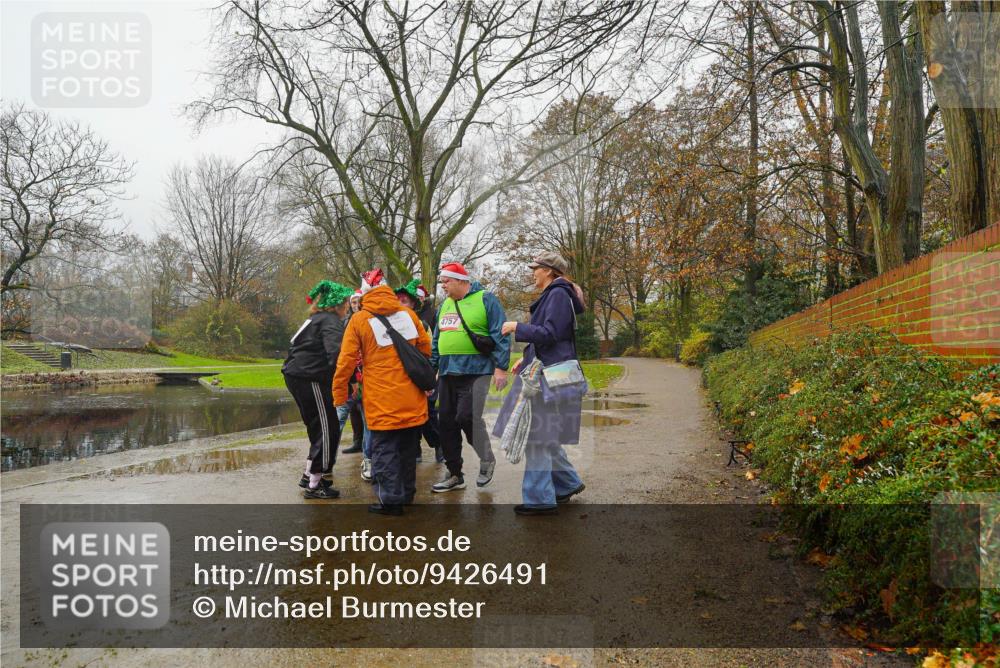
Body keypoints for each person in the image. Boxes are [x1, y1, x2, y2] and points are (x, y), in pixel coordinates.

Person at [333, 269, 432, 516]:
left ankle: (390, 500)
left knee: (384, 450)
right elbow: (426, 348)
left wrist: (338, 395)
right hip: (412, 397)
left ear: (365, 293)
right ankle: (407, 494)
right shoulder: (409, 314)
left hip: (381, 399)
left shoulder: (359, 320)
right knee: (408, 448)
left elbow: (345, 362)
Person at [496, 252, 586, 515]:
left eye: (535, 268)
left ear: (548, 271)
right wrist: (524, 362)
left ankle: (539, 500)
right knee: (545, 435)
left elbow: (551, 334)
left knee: (537, 436)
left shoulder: (557, 294)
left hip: (548, 378)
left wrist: (517, 327)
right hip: (550, 374)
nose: (532, 272)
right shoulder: (557, 294)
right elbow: (552, 340)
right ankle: (567, 483)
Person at [430, 262, 510, 492]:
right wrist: (431, 370)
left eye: (446, 281)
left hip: (476, 371)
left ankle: (487, 458)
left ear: (461, 281)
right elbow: (437, 340)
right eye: (442, 282)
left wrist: (501, 367)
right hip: (447, 372)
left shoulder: (486, 299)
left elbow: (501, 333)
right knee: (445, 422)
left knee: (466, 417)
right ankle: (455, 474)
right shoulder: (445, 304)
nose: (443, 286)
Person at [282, 279, 353, 500]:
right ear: (338, 304)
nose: (349, 306)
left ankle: (310, 475)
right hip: (310, 377)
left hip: (298, 376)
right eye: (347, 302)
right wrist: (348, 382)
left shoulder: (314, 319)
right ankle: (314, 484)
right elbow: (336, 356)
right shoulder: (330, 321)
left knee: (318, 427)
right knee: (327, 428)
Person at [395, 279, 442, 463]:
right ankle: (414, 451)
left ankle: (438, 444)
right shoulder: (388, 323)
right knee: (407, 416)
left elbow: (429, 352)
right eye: (397, 300)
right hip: (401, 379)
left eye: (404, 301)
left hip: (421, 376)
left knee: (428, 415)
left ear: (413, 304)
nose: (400, 304)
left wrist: (428, 377)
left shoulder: (421, 325)